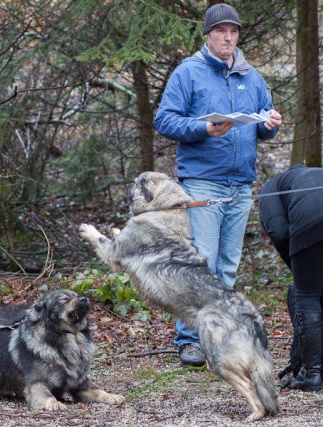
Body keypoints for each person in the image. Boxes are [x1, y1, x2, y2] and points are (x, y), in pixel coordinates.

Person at [154, 3, 282, 367]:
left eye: (233, 31)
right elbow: (165, 120)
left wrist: (270, 124)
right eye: (221, 31)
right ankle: (189, 340)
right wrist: (202, 128)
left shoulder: (251, 77)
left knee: (227, 265)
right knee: (202, 264)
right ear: (208, 35)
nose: (228, 37)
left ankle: (219, 336)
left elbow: (262, 126)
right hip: (202, 183)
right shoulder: (188, 73)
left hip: (240, 183)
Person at [259, 164, 323, 392]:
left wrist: (298, 265)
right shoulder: (313, 175)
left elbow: (278, 231)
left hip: (311, 217)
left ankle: (312, 374)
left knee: (306, 294)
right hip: (312, 213)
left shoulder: (269, 188)